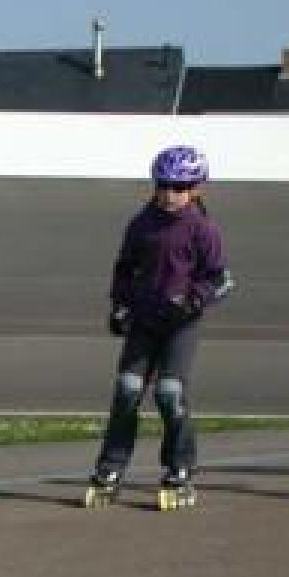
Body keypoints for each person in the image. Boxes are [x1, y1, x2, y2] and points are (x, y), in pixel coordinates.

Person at [83, 145, 236, 511]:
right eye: (163, 185)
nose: (170, 194)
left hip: (180, 324)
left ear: (196, 188)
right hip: (144, 319)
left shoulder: (202, 229)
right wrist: (120, 305)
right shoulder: (142, 223)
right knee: (127, 388)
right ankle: (110, 468)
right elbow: (124, 268)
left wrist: (193, 300)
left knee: (169, 392)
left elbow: (221, 279)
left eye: (179, 187)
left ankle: (179, 468)